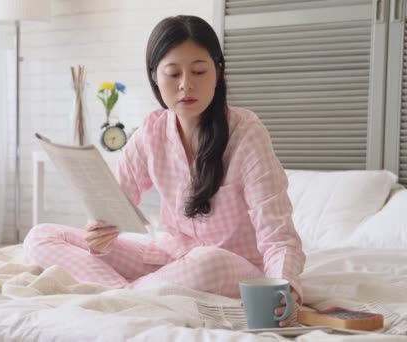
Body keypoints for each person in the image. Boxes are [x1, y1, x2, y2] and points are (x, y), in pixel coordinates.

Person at [23, 15, 305, 327]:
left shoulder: (247, 133)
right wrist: (98, 233)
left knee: (206, 260)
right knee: (41, 236)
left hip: (228, 266)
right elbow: (115, 202)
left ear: (218, 71)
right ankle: (128, 294)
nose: (186, 84)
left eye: (199, 71)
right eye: (173, 73)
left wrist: (284, 287)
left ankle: (129, 295)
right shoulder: (151, 131)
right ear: (155, 77)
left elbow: (278, 236)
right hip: (167, 259)